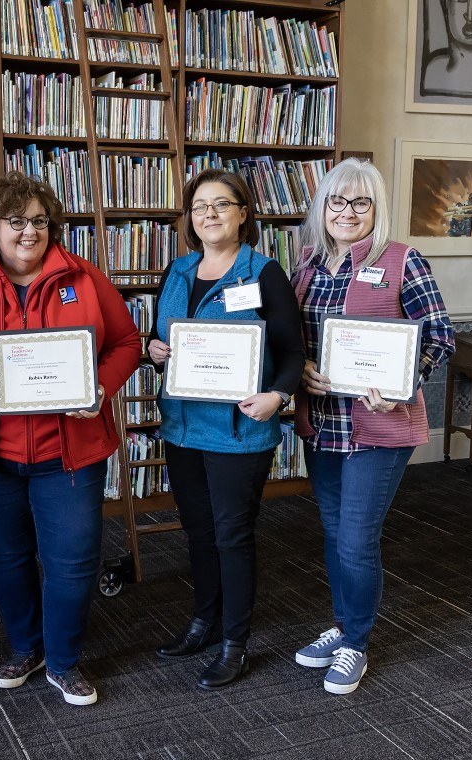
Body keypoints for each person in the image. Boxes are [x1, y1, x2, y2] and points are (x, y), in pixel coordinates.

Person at [0, 171, 140, 706]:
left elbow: (127, 341)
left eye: (39, 221)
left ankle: (64, 660)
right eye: (16, 221)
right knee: (6, 556)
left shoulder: (85, 279)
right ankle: (27, 647)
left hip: (70, 450)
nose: (29, 232)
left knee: (73, 560)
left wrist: (100, 387)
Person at [290, 158, 454, 695]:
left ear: (376, 209)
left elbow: (439, 338)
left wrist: (404, 384)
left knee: (358, 540)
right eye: (337, 201)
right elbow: (297, 342)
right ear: (323, 207)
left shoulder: (404, 261)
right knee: (336, 536)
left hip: (378, 429)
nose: (347, 212)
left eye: (361, 203)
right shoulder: (308, 266)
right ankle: (341, 626)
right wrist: (302, 370)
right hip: (324, 427)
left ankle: (356, 643)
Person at [147, 168, 304, 690]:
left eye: (220, 204)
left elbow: (291, 350)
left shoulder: (263, 273)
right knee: (198, 533)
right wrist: (155, 350)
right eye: (199, 207)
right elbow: (159, 335)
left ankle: (236, 641)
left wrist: (278, 396)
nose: (209, 214)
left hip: (239, 430)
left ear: (242, 213)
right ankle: (203, 622)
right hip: (183, 426)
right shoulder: (178, 270)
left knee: (232, 536)